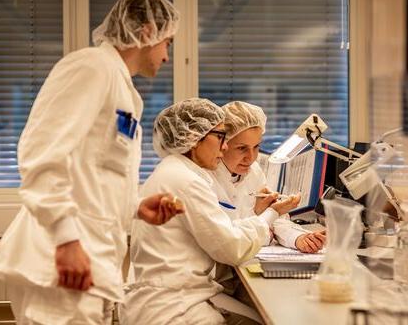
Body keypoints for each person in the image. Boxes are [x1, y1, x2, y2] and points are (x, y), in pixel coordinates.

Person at [0, 0, 182, 324]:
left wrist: (135, 206)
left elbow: (96, 172)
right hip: (63, 260)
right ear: (148, 31)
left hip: (94, 260)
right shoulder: (92, 67)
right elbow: (41, 154)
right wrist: (66, 240)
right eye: (169, 43)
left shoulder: (121, 87)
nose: (167, 57)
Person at [124, 99, 292, 325]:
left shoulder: (180, 171)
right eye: (221, 137)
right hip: (173, 307)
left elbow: (225, 229)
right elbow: (231, 248)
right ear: (194, 139)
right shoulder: (186, 180)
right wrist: (271, 214)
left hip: (179, 295)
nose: (224, 148)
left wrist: (262, 216)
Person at [210, 101, 326, 253]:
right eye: (242, 148)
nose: (251, 158)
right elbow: (229, 237)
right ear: (222, 145)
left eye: (256, 146)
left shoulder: (254, 171)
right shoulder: (206, 177)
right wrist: (263, 217)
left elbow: (276, 222)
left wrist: (298, 238)